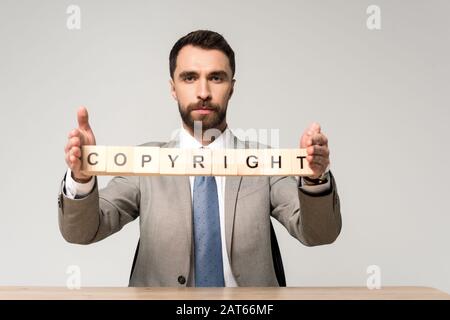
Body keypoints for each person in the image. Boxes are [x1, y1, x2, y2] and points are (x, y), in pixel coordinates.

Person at [58, 30, 341, 287]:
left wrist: (314, 177)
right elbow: (83, 232)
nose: (203, 92)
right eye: (190, 78)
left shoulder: (263, 161)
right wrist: (82, 176)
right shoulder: (145, 162)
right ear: (173, 88)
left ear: (232, 86)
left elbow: (318, 234)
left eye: (216, 78)